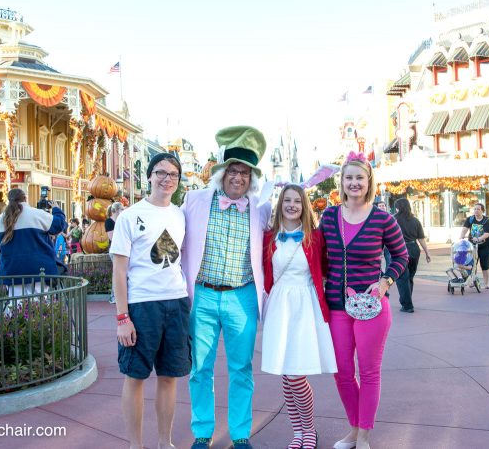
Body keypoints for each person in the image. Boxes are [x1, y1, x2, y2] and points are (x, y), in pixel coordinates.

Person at [181, 126, 270, 449]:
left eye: (245, 173)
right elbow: (171, 240)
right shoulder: (194, 200)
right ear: (222, 174)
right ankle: (203, 432)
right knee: (200, 367)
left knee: (241, 369)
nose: (238, 178)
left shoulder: (261, 209)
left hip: (242, 297)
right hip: (202, 295)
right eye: (233, 171)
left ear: (252, 179)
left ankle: (240, 434)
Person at [320, 151, 408, 449]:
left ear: (368, 181)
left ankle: (364, 436)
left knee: (369, 371)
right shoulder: (329, 216)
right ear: (341, 182)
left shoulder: (383, 219)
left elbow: (401, 255)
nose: (354, 183)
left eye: (359, 177)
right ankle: (354, 430)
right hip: (337, 305)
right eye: (349, 178)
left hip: (371, 307)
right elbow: (318, 255)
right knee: (342, 371)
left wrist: (386, 281)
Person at [111, 152, 189, 449]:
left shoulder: (180, 215)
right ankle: (135, 444)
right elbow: (119, 270)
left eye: (173, 174)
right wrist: (122, 317)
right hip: (143, 305)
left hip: (177, 302)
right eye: (161, 172)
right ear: (149, 176)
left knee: (170, 377)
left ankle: (164, 442)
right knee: (136, 376)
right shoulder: (130, 216)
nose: (167, 179)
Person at [261, 184, 336, 449]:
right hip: (279, 305)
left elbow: (328, 268)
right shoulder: (268, 237)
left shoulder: (315, 237)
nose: (292, 205)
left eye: (297, 201)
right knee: (285, 371)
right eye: (287, 200)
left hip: (305, 306)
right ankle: (298, 432)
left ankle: (309, 430)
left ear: (304, 206)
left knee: (295, 374)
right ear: (280, 204)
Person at [0, 188, 67, 296]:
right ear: (25, 198)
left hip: (12, 271)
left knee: (16, 305)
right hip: (40, 270)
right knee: (39, 304)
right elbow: (59, 225)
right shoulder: (37, 214)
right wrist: (57, 210)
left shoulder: (0, 220)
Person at [393, 198, 431, 313]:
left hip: (400, 250)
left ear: (398, 208)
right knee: (410, 277)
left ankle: (407, 304)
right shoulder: (415, 221)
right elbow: (421, 239)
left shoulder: (394, 220)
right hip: (414, 249)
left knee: (401, 278)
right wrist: (427, 252)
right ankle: (407, 300)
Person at [459, 203, 489, 289]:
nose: (476, 211)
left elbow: (487, 234)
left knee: (484, 264)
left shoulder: (486, 220)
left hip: (485, 245)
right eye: (475, 209)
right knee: (472, 263)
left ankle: (486, 283)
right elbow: (464, 230)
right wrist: (461, 237)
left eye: (478, 209)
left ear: (482, 211)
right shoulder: (470, 219)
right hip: (472, 245)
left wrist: (479, 238)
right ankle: (471, 281)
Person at [106, 202, 124, 304]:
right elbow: (112, 237)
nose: (122, 211)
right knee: (118, 272)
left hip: (122, 249)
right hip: (115, 250)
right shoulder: (109, 222)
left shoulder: (121, 221)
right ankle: (113, 296)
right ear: (115, 211)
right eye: (121, 209)